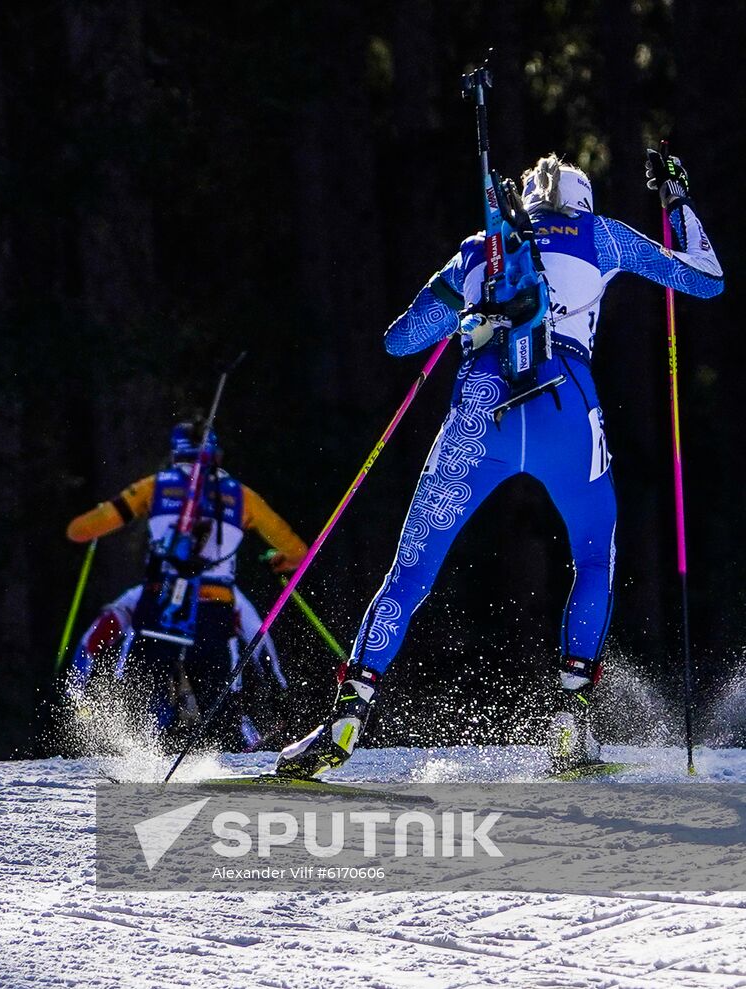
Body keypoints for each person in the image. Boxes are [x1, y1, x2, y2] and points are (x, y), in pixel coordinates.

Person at [274, 150, 722, 778]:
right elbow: (707, 277)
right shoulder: (603, 236)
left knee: (411, 570)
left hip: (480, 409)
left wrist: (457, 305)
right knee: (594, 557)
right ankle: (571, 719)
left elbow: (400, 341)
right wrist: (676, 200)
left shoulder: (482, 246)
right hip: (565, 405)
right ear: (582, 201)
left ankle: (349, 711)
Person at [67, 421, 308, 744]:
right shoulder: (241, 495)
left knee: (145, 695)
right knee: (217, 701)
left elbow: (78, 531)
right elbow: (299, 553)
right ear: (216, 456)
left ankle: (139, 752)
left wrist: (98, 522)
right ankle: (245, 737)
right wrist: (279, 562)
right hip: (215, 607)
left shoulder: (155, 486)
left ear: (175, 453)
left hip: (160, 602)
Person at [66, 582, 286, 750]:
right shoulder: (145, 593)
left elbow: (259, 640)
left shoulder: (224, 594)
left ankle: (239, 741)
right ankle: (135, 747)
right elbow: (93, 640)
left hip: (214, 693)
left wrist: (278, 690)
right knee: (151, 693)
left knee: (219, 702)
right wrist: (77, 690)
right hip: (156, 696)